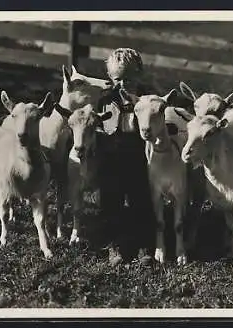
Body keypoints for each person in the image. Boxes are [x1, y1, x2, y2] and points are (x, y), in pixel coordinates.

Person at [96, 48, 157, 266]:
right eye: (117, 79)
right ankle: (115, 245)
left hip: (138, 152)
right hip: (111, 153)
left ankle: (144, 245)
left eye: (128, 79)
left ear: (139, 76)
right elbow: (96, 125)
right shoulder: (104, 99)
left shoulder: (147, 99)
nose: (122, 85)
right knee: (111, 199)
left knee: (140, 199)